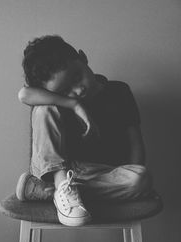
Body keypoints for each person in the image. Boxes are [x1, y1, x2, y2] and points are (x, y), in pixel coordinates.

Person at [16, 35, 152, 227]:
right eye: (64, 91)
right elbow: (24, 94)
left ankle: (47, 191)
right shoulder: (59, 102)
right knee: (43, 109)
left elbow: (135, 143)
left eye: (76, 76)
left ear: (83, 57)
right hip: (60, 168)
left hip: (103, 175)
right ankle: (60, 184)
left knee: (141, 179)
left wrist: (132, 173)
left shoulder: (119, 91)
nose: (77, 90)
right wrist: (73, 104)